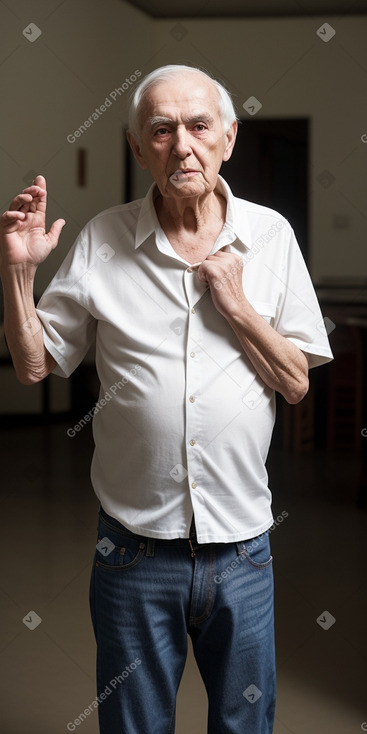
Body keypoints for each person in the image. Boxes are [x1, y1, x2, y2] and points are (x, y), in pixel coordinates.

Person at [0, 64, 333, 734]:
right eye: (161, 129)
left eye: (198, 126)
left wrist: (237, 306)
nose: (182, 144)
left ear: (228, 138)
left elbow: (294, 382)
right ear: (137, 147)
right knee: (133, 725)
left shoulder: (269, 237)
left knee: (245, 726)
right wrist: (18, 272)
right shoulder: (102, 238)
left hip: (242, 549)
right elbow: (36, 365)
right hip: (131, 551)